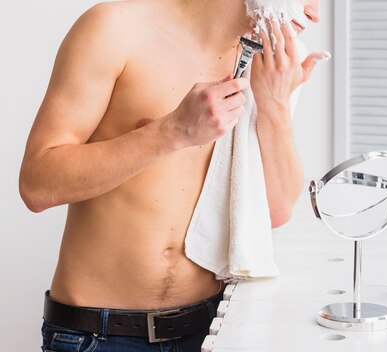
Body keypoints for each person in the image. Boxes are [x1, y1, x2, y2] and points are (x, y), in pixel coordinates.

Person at [19, 0, 324, 350]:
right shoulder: (115, 29)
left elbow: (276, 210)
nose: (315, 14)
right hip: (98, 335)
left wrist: (275, 106)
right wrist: (171, 132)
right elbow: (36, 184)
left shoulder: (268, 62)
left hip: (210, 327)